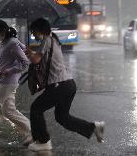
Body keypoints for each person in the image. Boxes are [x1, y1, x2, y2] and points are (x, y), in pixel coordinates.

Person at [25, 18, 105, 151]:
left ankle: (43, 141)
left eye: (33, 32)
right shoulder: (53, 40)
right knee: (62, 117)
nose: (33, 35)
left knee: (36, 109)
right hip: (68, 85)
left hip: (59, 85)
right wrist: (32, 53)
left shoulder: (46, 40)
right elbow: (42, 57)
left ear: (40, 30)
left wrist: (28, 52)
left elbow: (36, 59)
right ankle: (94, 127)